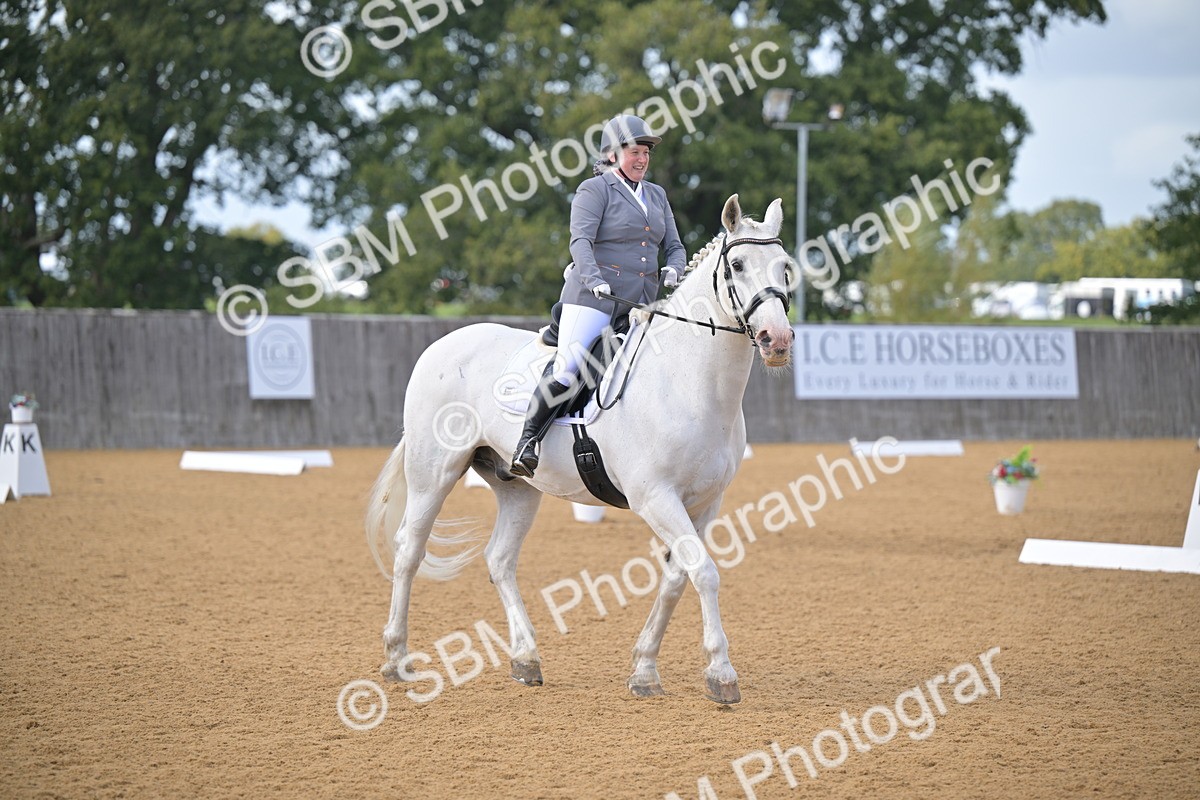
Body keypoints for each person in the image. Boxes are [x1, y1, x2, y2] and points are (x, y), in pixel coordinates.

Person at [510, 114, 687, 478]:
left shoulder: (657, 195)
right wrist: (593, 279)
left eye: (646, 153)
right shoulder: (595, 190)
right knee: (570, 366)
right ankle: (528, 441)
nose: (641, 159)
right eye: (634, 152)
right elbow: (581, 242)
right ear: (612, 154)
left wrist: (674, 267)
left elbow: (675, 244)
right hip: (592, 298)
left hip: (640, 305)